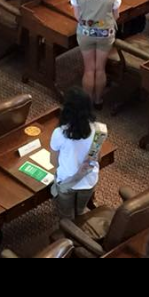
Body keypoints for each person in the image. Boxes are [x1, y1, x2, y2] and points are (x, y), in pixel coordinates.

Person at [71, 0, 121, 105]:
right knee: (100, 69)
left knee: (89, 69)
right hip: (105, 35)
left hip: (85, 33)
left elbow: (77, 16)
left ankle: (87, 103)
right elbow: (116, 15)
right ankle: (98, 100)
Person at [49, 86, 102, 218]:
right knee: (80, 212)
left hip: (67, 180)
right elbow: (97, 158)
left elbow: (53, 161)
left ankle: (68, 236)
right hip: (88, 180)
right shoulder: (99, 130)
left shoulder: (59, 133)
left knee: (66, 215)